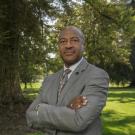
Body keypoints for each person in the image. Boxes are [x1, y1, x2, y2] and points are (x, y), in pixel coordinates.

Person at [26, 26, 109, 135]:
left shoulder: (97, 75)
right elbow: (30, 116)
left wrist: (40, 110)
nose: (68, 45)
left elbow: (78, 121)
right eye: (63, 41)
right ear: (59, 47)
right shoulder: (49, 80)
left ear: (83, 45)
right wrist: (67, 109)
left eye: (74, 40)